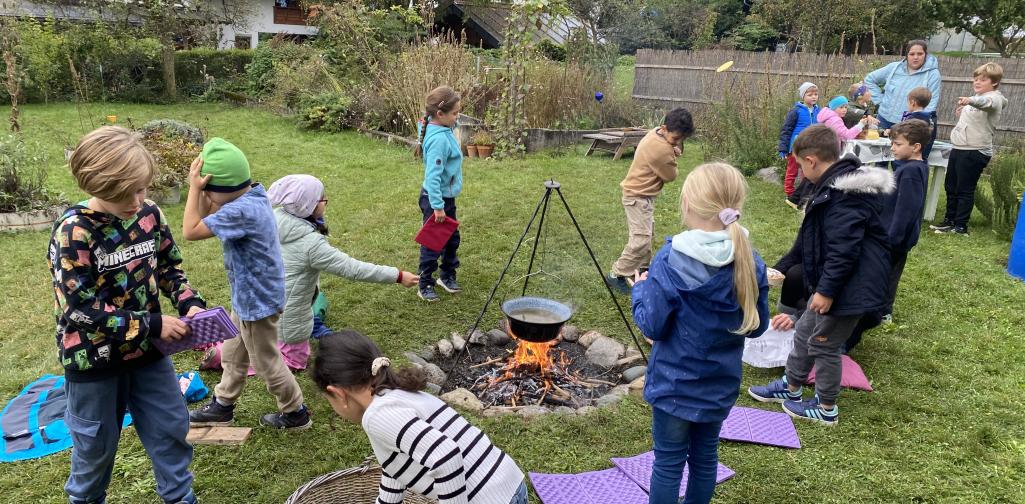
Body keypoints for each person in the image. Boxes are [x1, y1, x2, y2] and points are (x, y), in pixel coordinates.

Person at [50, 126, 205, 504]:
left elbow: (169, 268)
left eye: (142, 188)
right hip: (93, 362)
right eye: (125, 193)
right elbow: (80, 309)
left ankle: (180, 499)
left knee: (171, 429)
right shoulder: (74, 233)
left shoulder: (148, 215)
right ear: (95, 183)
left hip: (149, 355)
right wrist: (152, 323)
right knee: (95, 449)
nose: (137, 200)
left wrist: (189, 303)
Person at [632, 163, 770, 504]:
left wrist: (639, 291)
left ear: (688, 204)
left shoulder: (669, 259)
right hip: (719, 387)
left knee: (667, 462)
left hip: (672, 387)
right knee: (705, 459)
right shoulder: (750, 260)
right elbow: (757, 327)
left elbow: (653, 325)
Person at [749, 125, 892, 426]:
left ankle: (826, 407)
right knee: (803, 333)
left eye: (800, 166)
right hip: (833, 283)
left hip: (848, 289)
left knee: (824, 343)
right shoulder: (829, 188)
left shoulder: (846, 196)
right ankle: (791, 386)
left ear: (812, 160)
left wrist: (826, 292)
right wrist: (780, 268)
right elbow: (806, 242)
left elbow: (844, 252)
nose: (800, 172)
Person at [312, 330, 528, 504]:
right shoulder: (395, 395)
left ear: (338, 394)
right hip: (508, 484)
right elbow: (396, 467)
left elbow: (446, 457)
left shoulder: (378, 415)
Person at [183, 138, 311, 430]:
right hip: (250, 296)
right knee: (232, 352)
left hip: (257, 302)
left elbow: (191, 229)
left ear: (219, 190)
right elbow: (208, 212)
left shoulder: (241, 211)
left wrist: (194, 189)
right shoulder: (251, 195)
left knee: (266, 361)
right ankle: (222, 405)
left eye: (208, 191)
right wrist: (205, 190)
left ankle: (296, 412)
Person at [266, 174, 419, 370]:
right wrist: (397, 275)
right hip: (289, 313)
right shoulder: (311, 244)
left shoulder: (277, 219)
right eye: (322, 199)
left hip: (272, 299)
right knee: (296, 360)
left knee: (312, 309)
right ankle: (227, 356)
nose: (325, 203)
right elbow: (352, 269)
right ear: (308, 206)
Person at [844, 119, 931, 351]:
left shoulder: (911, 172)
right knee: (889, 275)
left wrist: (890, 239)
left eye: (898, 144)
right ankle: (882, 310)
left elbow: (906, 210)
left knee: (880, 277)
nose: (892, 147)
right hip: (895, 239)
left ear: (916, 147)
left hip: (893, 240)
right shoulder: (916, 167)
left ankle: (875, 313)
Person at [606, 108, 695, 294]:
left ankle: (643, 268)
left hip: (641, 195)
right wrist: (673, 154)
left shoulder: (656, 132)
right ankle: (617, 274)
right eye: (675, 139)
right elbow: (671, 175)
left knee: (647, 234)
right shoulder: (661, 150)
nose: (678, 143)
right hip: (637, 197)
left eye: (681, 140)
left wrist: (672, 147)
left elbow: (667, 150)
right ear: (665, 128)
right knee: (641, 239)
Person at [932, 62, 1008, 236]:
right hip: (959, 148)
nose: (977, 82)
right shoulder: (976, 98)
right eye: (975, 79)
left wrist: (970, 101)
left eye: (983, 79)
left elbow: (985, 103)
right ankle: (949, 221)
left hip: (975, 150)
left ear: (994, 82)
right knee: (951, 186)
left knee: (964, 189)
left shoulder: (994, 97)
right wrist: (965, 109)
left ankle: (960, 226)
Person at [416, 86, 464, 302]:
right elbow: (433, 177)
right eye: (455, 113)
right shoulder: (438, 140)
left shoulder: (441, 129)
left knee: (452, 239)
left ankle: (446, 276)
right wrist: (437, 207)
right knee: (434, 242)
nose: (457, 117)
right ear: (440, 114)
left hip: (446, 198)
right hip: (436, 200)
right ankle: (424, 283)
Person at [864, 39, 942, 130]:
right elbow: (869, 79)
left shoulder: (933, 74)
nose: (915, 57)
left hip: (908, 124)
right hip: (883, 119)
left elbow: (932, 102)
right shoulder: (894, 68)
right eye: (912, 54)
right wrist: (879, 101)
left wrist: (918, 122)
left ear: (926, 55)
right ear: (907, 55)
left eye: (920, 54)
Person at [778, 82, 820, 209]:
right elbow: (786, 129)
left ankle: (803, 195)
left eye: (816, 94)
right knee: (792, 171)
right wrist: (783, 149)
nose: (813, 97)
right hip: (796, 147)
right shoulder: (795, 111)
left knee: (807, 172)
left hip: (811, 147)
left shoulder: (819, 110)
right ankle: (790, 194)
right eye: (810, 94)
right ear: (803, 96)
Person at [888, 87, 938, 161]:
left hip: (908, 156)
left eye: (908, 102)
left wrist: (890, 132)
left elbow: (902, 135)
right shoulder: (931, 119)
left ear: (912, 102)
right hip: (922, 155)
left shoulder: (913, 120)